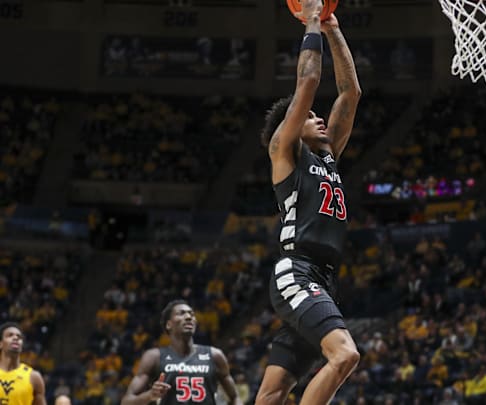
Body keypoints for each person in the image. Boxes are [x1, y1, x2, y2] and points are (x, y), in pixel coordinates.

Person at [255, 0, 362, 403]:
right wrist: (312, 19)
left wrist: (332, 27)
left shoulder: (328, 156)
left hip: (323, 278)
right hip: (297, 271)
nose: (319, 119)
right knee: (345, 355)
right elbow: (308, 82)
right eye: (310, 116)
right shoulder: (285, 152)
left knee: (271, 394)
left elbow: (351, 92)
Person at [121, 300, 241, 405]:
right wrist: (149, 395)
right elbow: (126, 402)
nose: (189, 317)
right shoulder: (154, 357)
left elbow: (235, 397)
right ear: (169, 324)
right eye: (181, 313)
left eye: (191, 314)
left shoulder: (215, 355)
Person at [0, 322, 46, 405]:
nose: (15, 338)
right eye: (10, 335)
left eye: (19, 337)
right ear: (1, 343)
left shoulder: (34, 377)